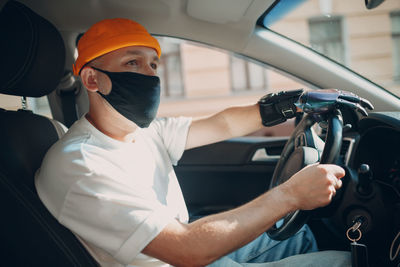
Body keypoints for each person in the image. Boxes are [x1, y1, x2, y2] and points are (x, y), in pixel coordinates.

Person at [35, 18, 352, 267]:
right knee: (344, 262)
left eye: (153, 65)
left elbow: (223, 122)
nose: (150, 76)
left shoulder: (144, 132)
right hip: (178, 259)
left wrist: (296, 103)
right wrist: (292, 194)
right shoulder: (81, 165)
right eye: (133, 63)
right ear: (92, 79)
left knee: (296, 234)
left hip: (185, 250)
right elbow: (187, 250)